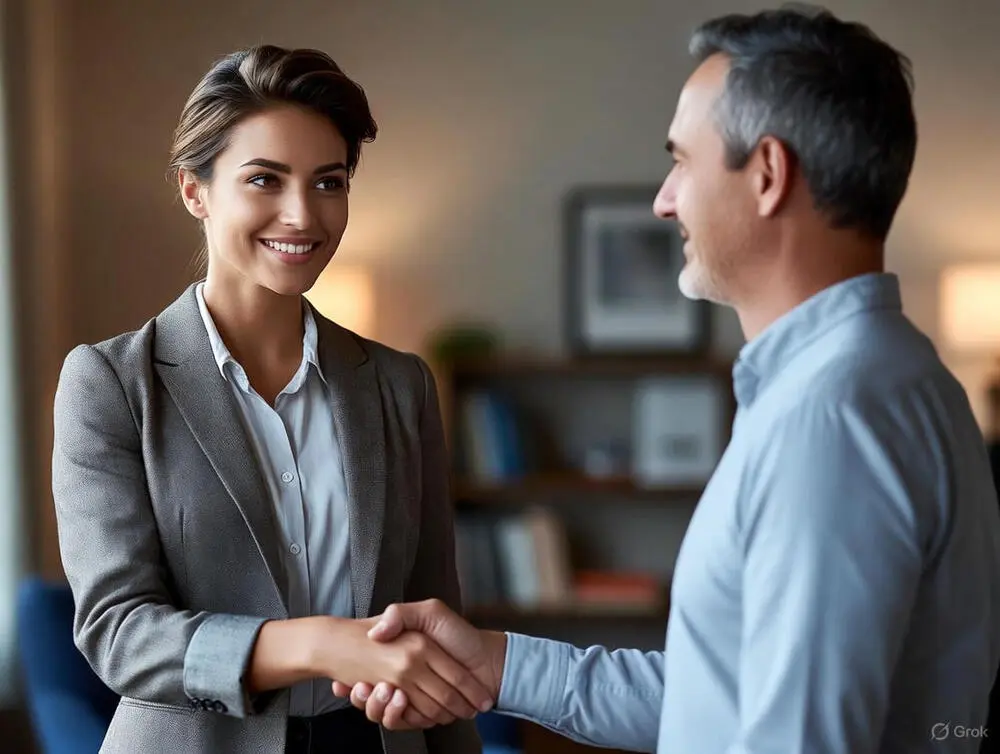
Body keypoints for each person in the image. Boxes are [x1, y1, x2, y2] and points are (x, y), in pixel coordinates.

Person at [334, 7, 1000, 753]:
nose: (664, 198)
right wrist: (495, 665)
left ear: (769, 175)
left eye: (681, 160)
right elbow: (722, 701)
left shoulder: (830, 418)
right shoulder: (888, 381)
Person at [51, 45, 491, 754]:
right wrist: (319, 644)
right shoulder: (110, 383)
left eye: (329, 182)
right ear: (195, 191)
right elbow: (119, 632)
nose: (302, 215)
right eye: (264, 179)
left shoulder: (399, 385)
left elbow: (434, 621)